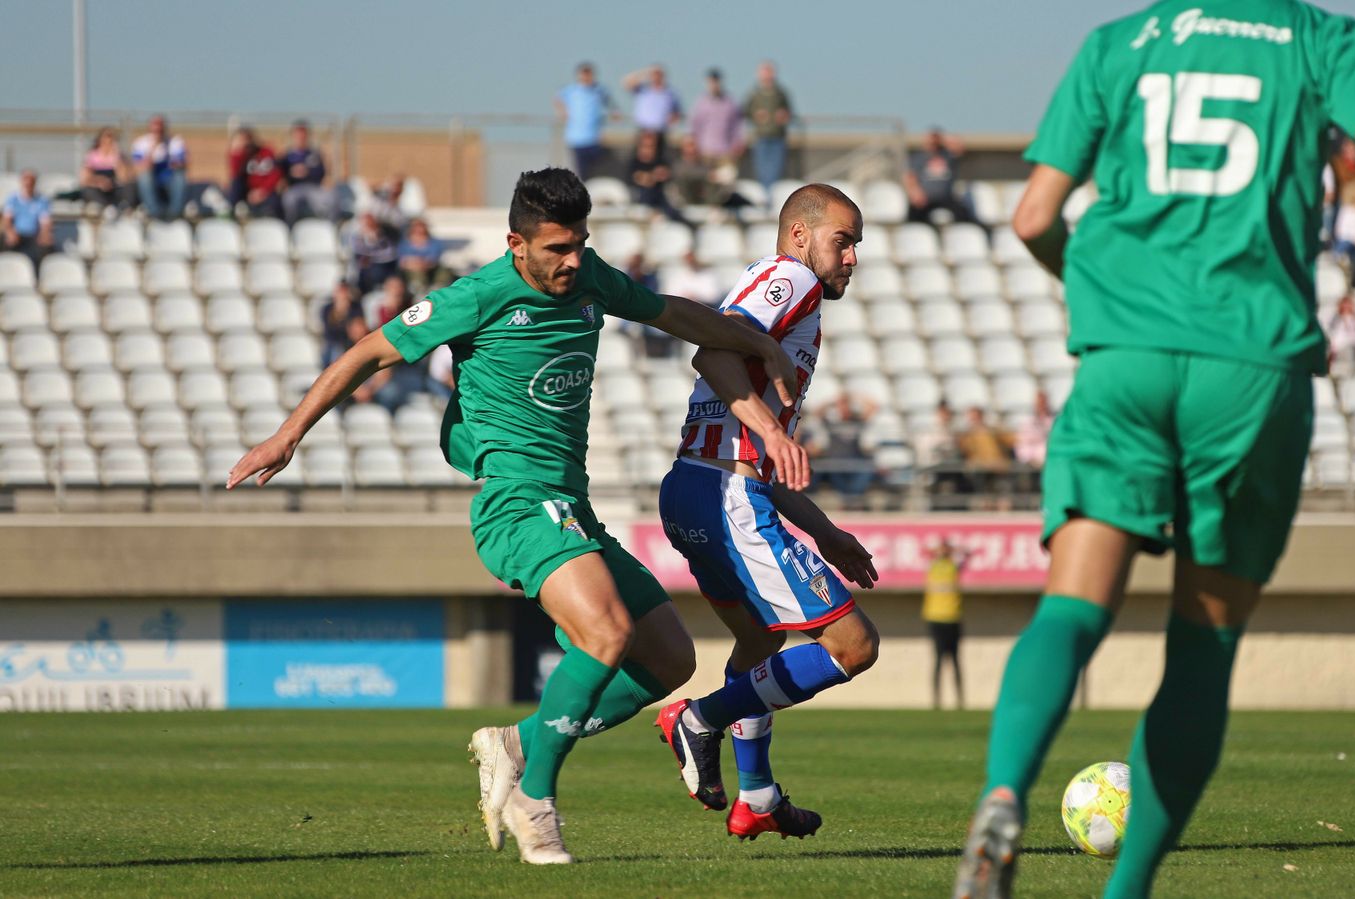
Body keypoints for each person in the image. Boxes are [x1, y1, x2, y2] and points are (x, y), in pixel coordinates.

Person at [953, 3, 1355, 897]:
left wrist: (1108, 297)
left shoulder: (1118, 43)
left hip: (1125, 358)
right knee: (1203, 646)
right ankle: (1126, 891)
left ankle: (1001, 793)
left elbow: (1032, 216)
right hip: (1249, 368)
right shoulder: (1317, 39)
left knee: (1071, 608)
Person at [227, 167, 799, 866]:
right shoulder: (479, 295)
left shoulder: (591, 278)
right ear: (516, 244)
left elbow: (670, 313)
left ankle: (518, 742)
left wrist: (757, 342)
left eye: (579, 243)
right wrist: (288, 436)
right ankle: (536, 800)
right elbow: (370, 351)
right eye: (557, 248)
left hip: (572, 505)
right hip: (517, 503)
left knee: (669, 659)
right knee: (606, 632)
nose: (572, 260)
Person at [655, 183, 880, 841]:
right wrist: (772, 429)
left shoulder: (790, 300)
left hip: (693, 488)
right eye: (843, 241)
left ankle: (756, 796)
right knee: (853, 646)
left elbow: (753, 449)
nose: (852, 257)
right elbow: (713, 348)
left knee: (759, 641)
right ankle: (698, 719)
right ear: (801, 235)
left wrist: (825, 531)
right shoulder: (791, 278)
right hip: (725, 495)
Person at [922, 539, 966, 710]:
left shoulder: (953, 565)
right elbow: (924, 552)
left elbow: (965, 554)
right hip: (936, 618)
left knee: (955, 661)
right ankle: (937, 700)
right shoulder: (932, 566)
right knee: (939, 660)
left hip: (953, 618)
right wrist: (939, 549)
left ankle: (960, 701)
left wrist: (951, 548)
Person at [905, 128, 978, 224]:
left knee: (962, 214)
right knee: (914, 216)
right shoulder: (918, 157)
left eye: (936, 139)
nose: (933, 142)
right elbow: (910, 177)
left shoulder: (948, 155)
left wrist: (943, 140)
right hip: (925, 199)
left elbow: (960, 148)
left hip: (947, 198)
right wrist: (915, 192)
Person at [556, 62, 615, 181]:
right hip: (577, 138)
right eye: (584, 74)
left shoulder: (599, 90)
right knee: (582, 171)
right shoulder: (571, 90)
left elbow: (609, 102)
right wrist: (563, 112)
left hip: (594, 138)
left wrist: (614, 112)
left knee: (597, 169)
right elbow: (557, 99)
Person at [744, 61, 794, 197]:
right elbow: (745, 111)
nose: (767, 76)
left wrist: (783, 115)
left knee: (776, 169)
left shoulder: (780, 93)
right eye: (765, 73)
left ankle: (772, 195)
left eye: (769, 72)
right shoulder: (755, 94)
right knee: (762, 169)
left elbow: (789, 112)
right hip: (761, 137)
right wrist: (756, 115)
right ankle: (764, 196)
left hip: (778, 136)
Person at [130, 114, 188, 221]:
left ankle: (175, 214)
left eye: (160, 126)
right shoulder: (140, 143)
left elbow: (182, 164)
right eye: (155, 126)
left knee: (180, 177)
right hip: (151, 180)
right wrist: (154, 146)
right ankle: (155, 214)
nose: (158, 130)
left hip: (169, 178)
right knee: (144, 177)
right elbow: (140, 167)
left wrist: (172, 160)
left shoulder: (175, 141)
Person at [629, 131, 690, 225]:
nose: (647, 150)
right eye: (645, 146)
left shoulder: (661, 162)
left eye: (651, 146)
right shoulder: (632, 164)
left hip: (662, 204)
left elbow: (667, 178)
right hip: (640, 203)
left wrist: (660, 176)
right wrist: (651, 177)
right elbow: (639, 179)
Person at [690, 68, 744, 173]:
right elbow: (694, 125)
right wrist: (695, 145)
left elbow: (737, 125)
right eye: (711, 82)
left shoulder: (730, 102)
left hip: (725, 151)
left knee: (728, 178)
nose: (714, 85)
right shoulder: (701, 103)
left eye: (716, 82)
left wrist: (737, 143)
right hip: (705, 151)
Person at [280, 120, 334, 224]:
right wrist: (291, 173)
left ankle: (329, 228)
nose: (301, 139)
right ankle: (290, 228)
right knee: (288, 200)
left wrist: (307, 171)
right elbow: (280, 172)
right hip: (294, 188)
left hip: (313, 188)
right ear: (293, 137)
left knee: (332, 198)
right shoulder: (287, 155)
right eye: (298, 136)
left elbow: (321, 172)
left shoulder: (314, 153)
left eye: (303, 136)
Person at [226, 127, 284, 220]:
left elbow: (275, 173)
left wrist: (262, 191)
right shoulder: (240, 155)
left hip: (266, 190)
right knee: (235, 188)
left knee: (275, 203)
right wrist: (237, 152)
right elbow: (235, 174)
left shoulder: (266, 152)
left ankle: (278, 224)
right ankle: (230, 219)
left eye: (246, 139)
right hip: (248, 191)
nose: (245, 143)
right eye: (241, 140)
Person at [3, 170, 55, 268]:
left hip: (33, 235)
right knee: (5, 241)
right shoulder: (12, 199)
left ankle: (39, 273)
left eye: (31, 180)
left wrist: (44, 234)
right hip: (17, 234)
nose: (28, 183)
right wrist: (10, 232)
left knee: (47, 244)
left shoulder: (42, 201)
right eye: (26, 179)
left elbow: (45, 222)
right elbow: (7, 220)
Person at [79, 127, 131, 214]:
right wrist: (99, 182)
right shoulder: (92, 155)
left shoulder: (119, 156)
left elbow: (123, 178)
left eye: (113, 137)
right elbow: (84, 179)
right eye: (108, 136)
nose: (110, 140)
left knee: (129, 188)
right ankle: (105, 207)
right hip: (97, 188)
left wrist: (117, 158)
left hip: (114, 188)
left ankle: (122, 208)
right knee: (88, 190)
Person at [318, 281, 368, 367]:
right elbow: (329, 332)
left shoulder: (355, 308)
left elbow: (357, 328)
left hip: (350, 343)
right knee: (336, 351)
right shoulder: (327, 309)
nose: (343, 296)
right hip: (334, 344)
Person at [347, 211, 399, 293]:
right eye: (366, 224)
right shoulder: (356, 238)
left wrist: (376, 240)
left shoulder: (386, 234)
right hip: (364, 270)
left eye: (371, 223)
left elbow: (390, 254)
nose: (369, 226)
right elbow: (359, 253)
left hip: (383, 266)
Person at [623, 64, 682, 136]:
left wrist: (671, 124)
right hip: (642, 129)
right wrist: (645, 73)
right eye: (654, 74)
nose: (656, 77)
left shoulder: (671, 93)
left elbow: (677, 112)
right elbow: (627, 82)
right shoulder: (642, 89)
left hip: (661, 130)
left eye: (659, 74)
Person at [1323, 293, 1355, 377]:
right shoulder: (1335, 318)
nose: (1346, 307)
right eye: (1344, 304)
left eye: (1348, 304)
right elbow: (1335, 337)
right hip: (1341, 345)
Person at [398, 218, 450, 293]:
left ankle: (439, 289)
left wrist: (420, 264)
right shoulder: (404, 244)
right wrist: (415, 265)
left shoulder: (435, 243)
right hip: (410, 271)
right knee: (416, 273)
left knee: (444, 271)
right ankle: (418, 290)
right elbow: (402, 262)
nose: (419, 232)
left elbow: (433, 260)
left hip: (430, 269)